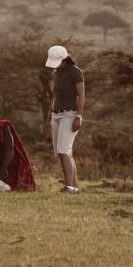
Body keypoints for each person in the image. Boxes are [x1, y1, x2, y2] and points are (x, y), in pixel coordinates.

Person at [43, 44, 85, 193]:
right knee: (63, 151)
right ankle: (74, 187)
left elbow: (81, 96)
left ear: (65, 59)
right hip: (56, 114)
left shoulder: (75, 72)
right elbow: (54, 97)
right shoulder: (55, 74)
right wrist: (48, 119)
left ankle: (69, 187)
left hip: (70, 114)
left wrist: (78, 117)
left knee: (63, 150)